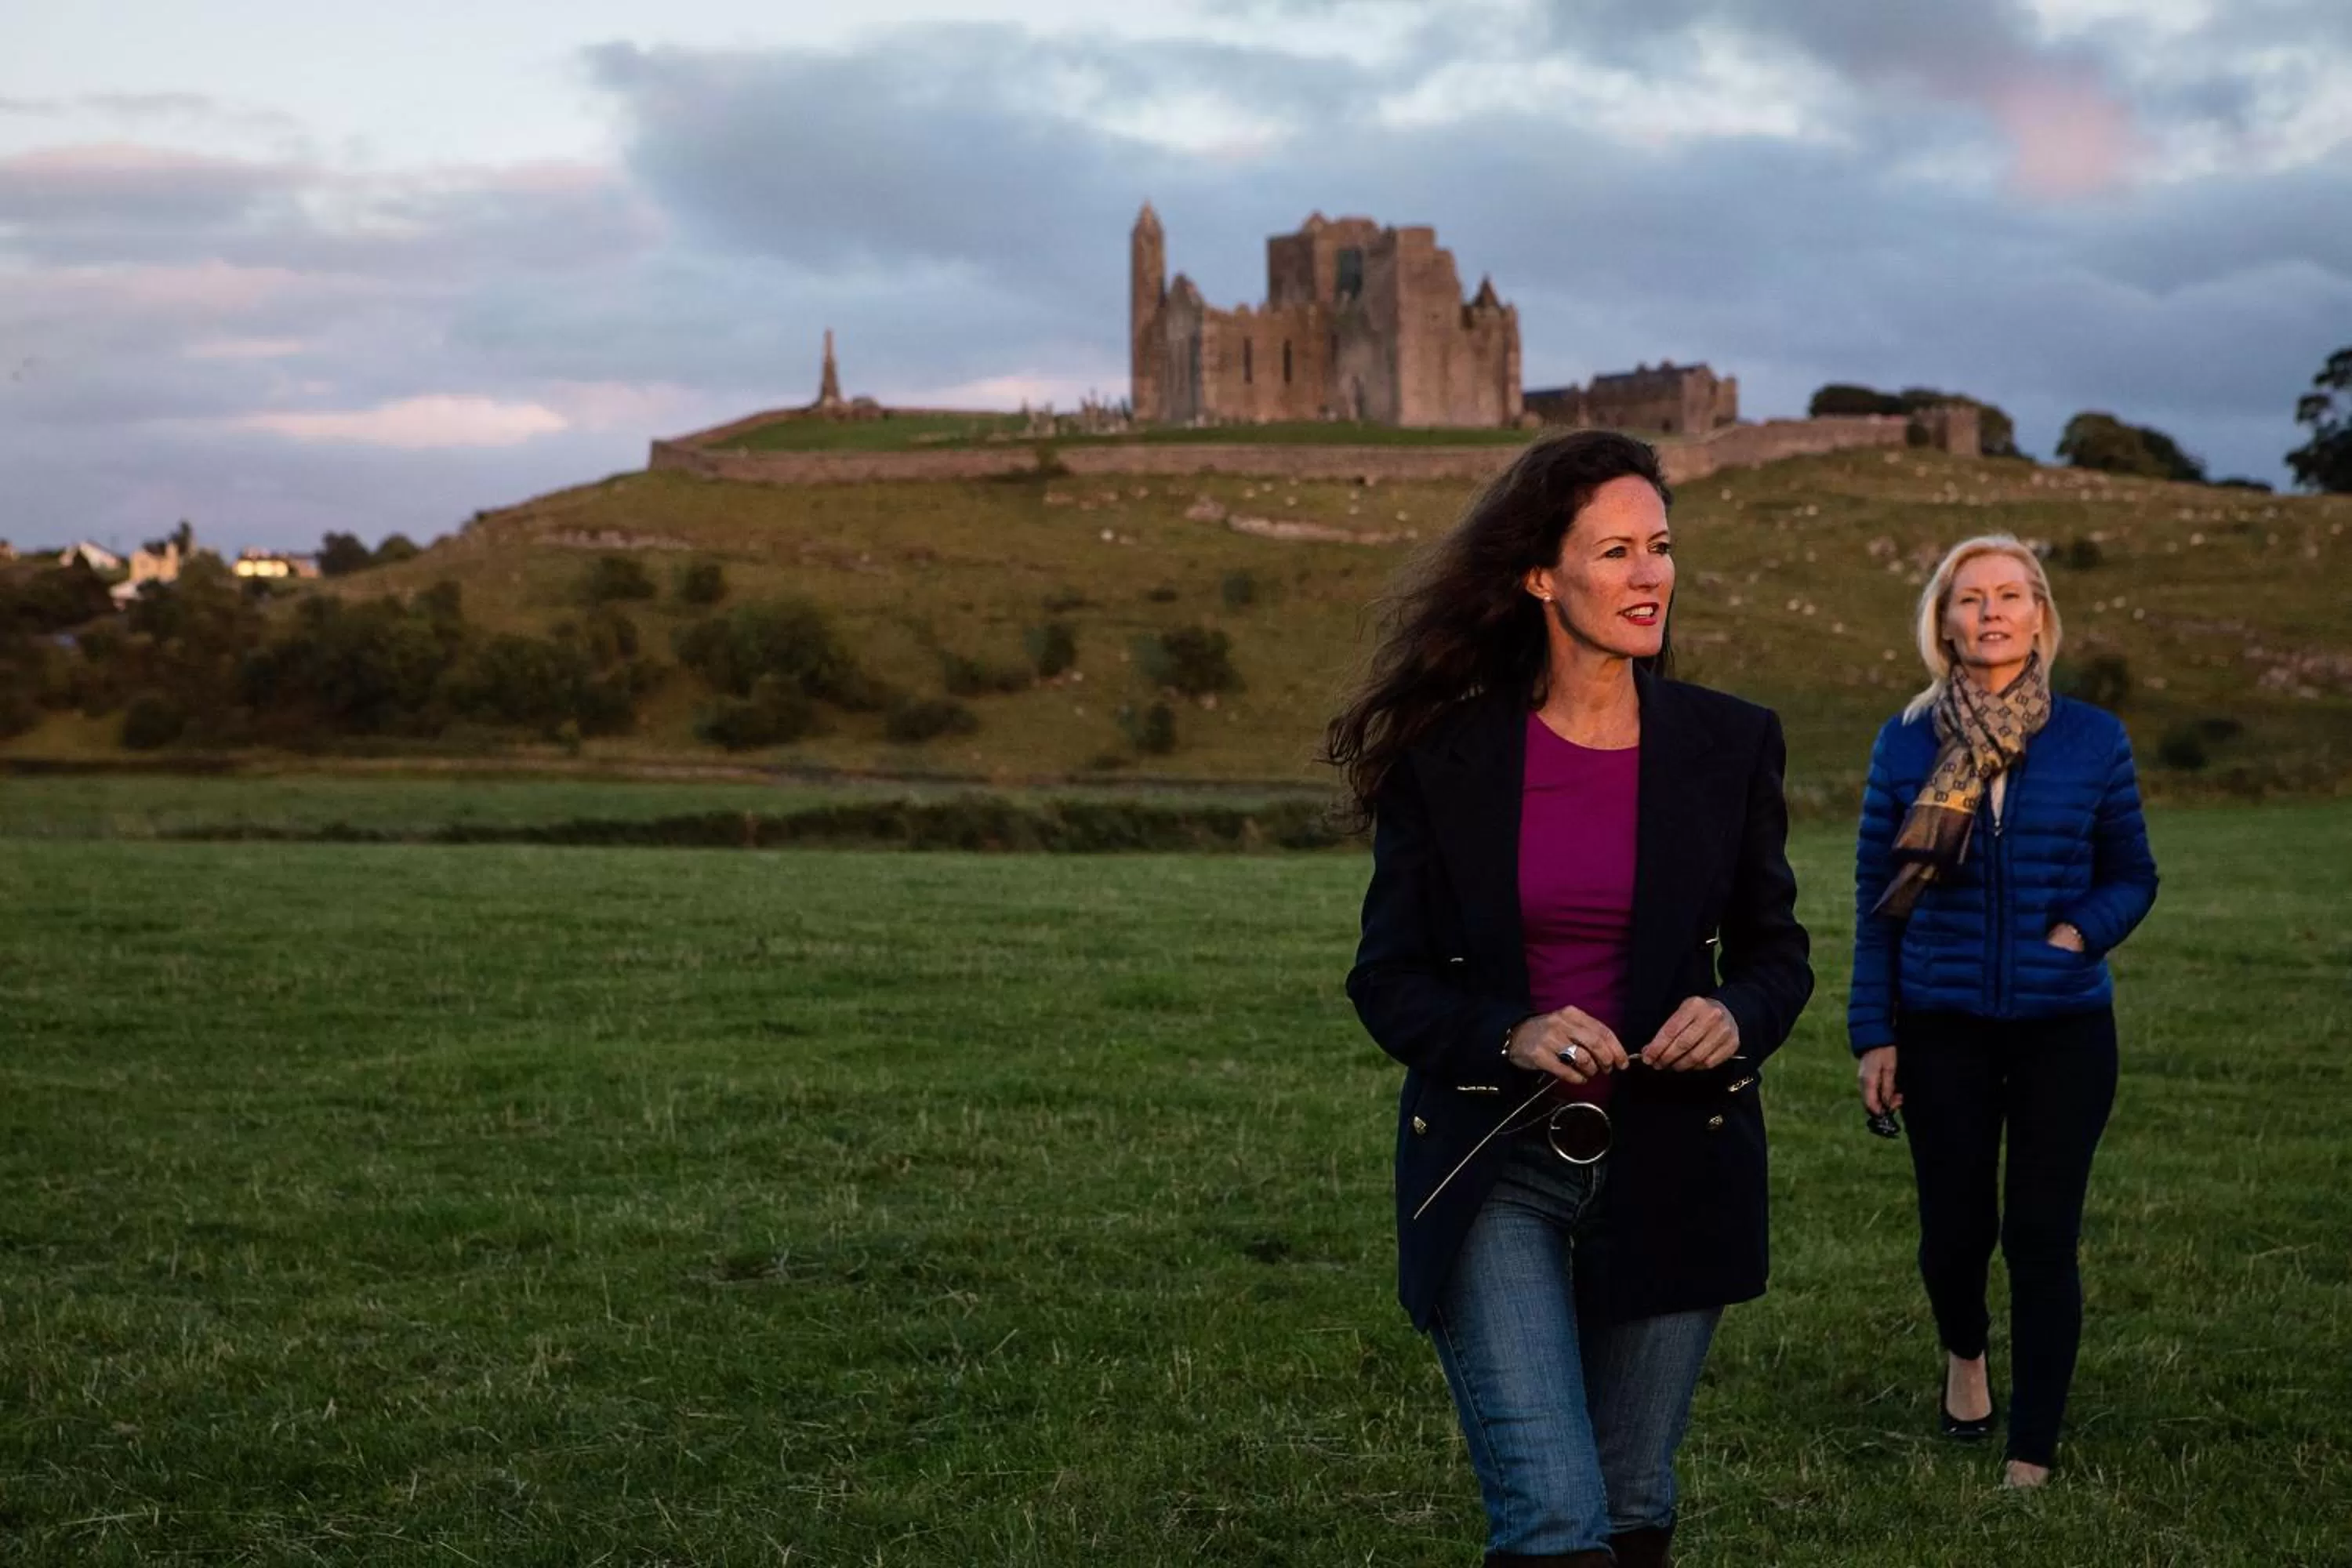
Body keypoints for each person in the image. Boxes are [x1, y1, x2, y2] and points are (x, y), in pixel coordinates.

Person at [1329, 430, 1813, 1567]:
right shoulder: (1446, 756)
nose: (1650, 577)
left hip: (1676, 1161)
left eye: (1661, 548)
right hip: (1497, 1162)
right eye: (1615, 552)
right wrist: (1511, 1029)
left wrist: (1739, 1012)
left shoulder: (1731, 743)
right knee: (1555, 1513)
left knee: (1634, 1500)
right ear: (1542, 576)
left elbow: (1776, 952)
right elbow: (1385, 979)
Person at [1849, 534, 2158, 1488]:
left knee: (2040, 1232)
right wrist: (1875, 1032)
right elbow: (1875, 895)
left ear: (2040, 614)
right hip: (1941, 1023)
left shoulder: (2091, 737)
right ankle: (1966, 1353)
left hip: (2064, 1024)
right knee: (1953, 1232)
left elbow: (2132, 873)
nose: (1991, 611)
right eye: (1970, 596)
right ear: (1943, 620)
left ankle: (2032, 1449)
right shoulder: (1906, 741)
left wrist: (2078, 933)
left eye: (2011, 594)